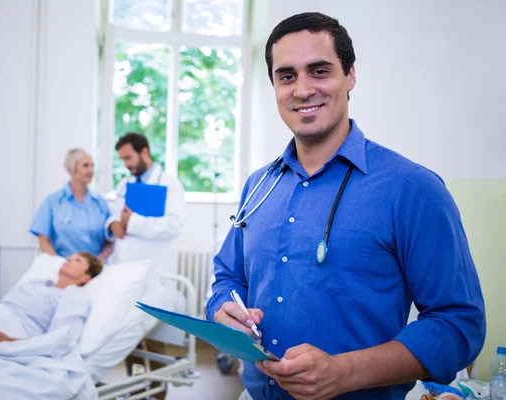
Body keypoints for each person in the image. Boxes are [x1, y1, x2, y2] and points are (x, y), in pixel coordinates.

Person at [205, 12, 485, 400]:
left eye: (319, 71)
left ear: (350, 75)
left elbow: (458, 325)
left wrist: (344, 372)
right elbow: (227, 277)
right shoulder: (259, 186)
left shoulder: (412, 189)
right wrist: (223, 310)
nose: (302, 90)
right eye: (287, 76)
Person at [0, 252, 102, 345]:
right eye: (70, 257)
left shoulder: (72, 296)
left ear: (86, 278)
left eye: (77, 260)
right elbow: (2, 307)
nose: (68, 259)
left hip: (9, 332)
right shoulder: (37, 283)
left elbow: (62, 340)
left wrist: (9, 340)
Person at [105, 132, 185, 285]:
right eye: (122, 159)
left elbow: (173, 226)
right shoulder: (124, 184)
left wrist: (132, 222)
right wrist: (112, 224)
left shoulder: (169, 184)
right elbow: (115, 214)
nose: (126, 164)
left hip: (155, 266)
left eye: (128, 158)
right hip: (125, 262)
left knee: (151, 304)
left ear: (144, 152)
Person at [30, 148, 113, 261]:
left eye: (92, 165)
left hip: (95, 269)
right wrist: (59, 265)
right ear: (71, 170)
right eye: (85, 166)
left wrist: (98, 263)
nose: (91, 170)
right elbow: (43, 240)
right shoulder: (53, 201)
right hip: (63, 268)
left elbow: (110, 241)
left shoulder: (101, 203)